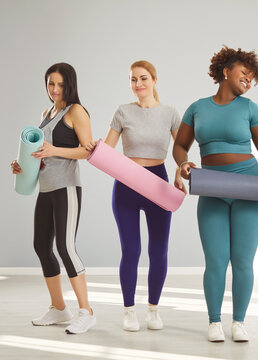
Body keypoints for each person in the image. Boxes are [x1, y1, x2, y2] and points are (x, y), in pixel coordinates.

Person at [173, 46, 258, 342]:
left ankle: (239, 322)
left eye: (253, 77)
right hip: (211, 188)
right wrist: (184, 163)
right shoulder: (197, 107)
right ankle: (215, 322)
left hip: (249, 188)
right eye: (244, 73)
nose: (249, 79)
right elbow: (180, 145)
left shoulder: (250, 108)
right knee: (216, 261)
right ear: (226, 71)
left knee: (242, 260)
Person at [86, 60, 184, 332]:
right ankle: (129, 311)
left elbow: (180, 151)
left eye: (143, 78)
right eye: (133, 80)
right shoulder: (123, 112)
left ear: (154, 80)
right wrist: (95, 147)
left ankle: (153, 310)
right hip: (127, 185)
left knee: (158, 251)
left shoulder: (170, 113)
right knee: (131, 250)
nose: (138, 84)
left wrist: (179, 174)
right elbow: (108, 146)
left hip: (158, 183)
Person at [10, 63, 96, 334]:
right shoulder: (47, 113)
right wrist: (23, 165)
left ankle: (87, 311)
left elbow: (88, 151)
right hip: (45, 189)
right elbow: (40, 155)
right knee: (40, 245)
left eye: (60, 84)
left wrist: (54, 149)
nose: (55, 89)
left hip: (66, 188)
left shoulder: (76, 112)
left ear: (69, 84)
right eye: (51, 84)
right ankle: (59, 308)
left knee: (66, 247)